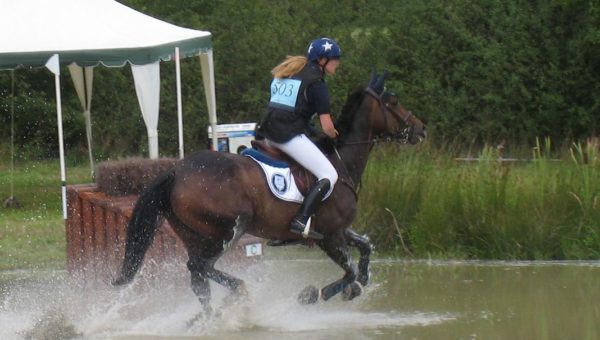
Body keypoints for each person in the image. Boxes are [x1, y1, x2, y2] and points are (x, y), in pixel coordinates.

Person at [258, 37, 341, 239]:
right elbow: (327, 127)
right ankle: (301, 220)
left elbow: (290, 109)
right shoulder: (317, 84)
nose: (338, 63)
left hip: (267, 132)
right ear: (322, 60)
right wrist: (335, 135)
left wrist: (309, 129)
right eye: (335, 59)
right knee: (329, 175)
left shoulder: (289, 73)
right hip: (286, 136)